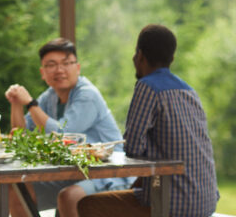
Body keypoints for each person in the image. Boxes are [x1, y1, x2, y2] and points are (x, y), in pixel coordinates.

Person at [78, 24, 219, 217]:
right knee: (127, 194)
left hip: (171, 203)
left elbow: (133, 150)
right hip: (205, 201)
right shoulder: (189, 91)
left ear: (140, 55)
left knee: (87, 205)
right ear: (172, 58)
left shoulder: (147, 87)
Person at [4, 38, 132, 217]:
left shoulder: (87, 94)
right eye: (51, 64)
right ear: (43, 72)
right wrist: (16, 103)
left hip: (107, 173)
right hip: (72, 173)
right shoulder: (50, 96)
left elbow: (63, 135)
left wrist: (31, 104)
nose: (59, 70)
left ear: (77, 68)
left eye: (66, 63)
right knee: (16, 188)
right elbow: (20, 137)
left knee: (69, 196)